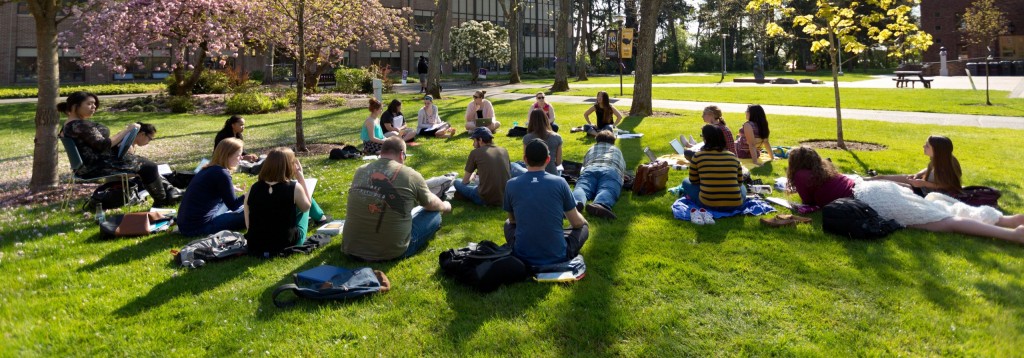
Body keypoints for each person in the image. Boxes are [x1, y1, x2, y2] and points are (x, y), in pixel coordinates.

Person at [790, 147, 1024, 244]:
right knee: (940, 211)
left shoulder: (801, 175)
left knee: (945, 223)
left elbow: (808, 202)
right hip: (878, 189)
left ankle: (1011, 235)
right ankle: (1007, 220)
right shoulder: (825, 171)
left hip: (873, 199)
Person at [342, 137, 453, 261]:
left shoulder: (361, 170)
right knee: (435, 215)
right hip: (392, 251)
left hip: (351, 248)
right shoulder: (410, 175)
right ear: (402, 154)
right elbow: (431, 204)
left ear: (381, 153)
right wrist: (445, 206)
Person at [58, 91, 173, 207]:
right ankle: (162, 202)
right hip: (95, 166)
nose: (94, 107)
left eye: (95, 104)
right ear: (74, 106)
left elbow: (96, 143)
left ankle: (166, 196)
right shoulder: (79, 125)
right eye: (89, 104)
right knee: (149, 166)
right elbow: (103, 145)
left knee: (144, 163)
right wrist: (127, 130)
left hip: (90, 164)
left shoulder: (69, 125)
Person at [504, 139, 589, 266]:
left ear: (525, 159)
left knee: (507, 224)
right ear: (548, 159)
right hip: (558, 255)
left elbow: (512, 220)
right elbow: (576, 223)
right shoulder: (560, 182)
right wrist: (583, 221)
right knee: (583, 226)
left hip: (521, 255)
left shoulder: (511, 184)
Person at [244, 147, 330, 256]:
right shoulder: (294, 187)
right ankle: (321, 218)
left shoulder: (253, 188)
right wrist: (301, 178)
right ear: (289, 166)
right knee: (307, 200)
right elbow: (306, 207)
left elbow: (248, 224)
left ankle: (321, 217)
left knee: (297, 200)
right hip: (286, 243)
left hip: (256, 244)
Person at [177, 138, 247, 236]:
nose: (241, 158)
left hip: (185, 225)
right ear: (227, 155)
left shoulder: (208, 168)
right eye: (238, 155)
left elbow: (210, 190)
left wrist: (230, 188)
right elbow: (234, 205)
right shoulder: (221, 173)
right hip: (199, 228)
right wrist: (248, 194)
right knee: (251, 212)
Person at [867, 135, 961, 196]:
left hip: (924, 193)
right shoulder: (940, 158)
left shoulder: (946, 165)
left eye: (927, 146)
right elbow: (929, 168)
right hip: (920, 186)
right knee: (881, 177)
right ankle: (856, 180)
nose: (923, 146)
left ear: (936, 150)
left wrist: (923, 183)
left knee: (882, 182)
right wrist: (918, 175)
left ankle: (856, 185)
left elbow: (947, 186)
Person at [683, 124, 746, 210]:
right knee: (742, 187)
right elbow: (739, 182)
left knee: (685, 182)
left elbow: (694, 181)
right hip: (735, 205)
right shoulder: (732, 156)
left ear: (705, 139)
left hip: (708, 204)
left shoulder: (698, 156)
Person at [572, 130, 626, 220]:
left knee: (582, 187)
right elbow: (622, 167)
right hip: (610, 170)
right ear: (613, 141)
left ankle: (575, 202)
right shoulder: (617, 150)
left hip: (590, 169)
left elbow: (585, 164)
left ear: (597, 140)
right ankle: (601, 204)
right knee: (608, 189)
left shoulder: (591, 148)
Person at [454, 127, 511, 206]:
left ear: (480, 140)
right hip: (504, 198)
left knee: (457, 182)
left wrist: (472, 176)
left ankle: (464, 195)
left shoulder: (475, 153)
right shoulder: (504, 150)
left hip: (484, 199)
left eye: (474, 141)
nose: (473, 144)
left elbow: (465, 181)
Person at [785, 146, 855, 207]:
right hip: (854, 187)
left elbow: (808, 202)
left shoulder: (800, 175)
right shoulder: (824, 167)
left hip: (851, 199)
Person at [511, 109, 562, 176]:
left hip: (532, 175)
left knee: (512, 165)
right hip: (552, 173)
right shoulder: (557, 137)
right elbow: (558, 162)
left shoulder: (527, 138)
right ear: (546, 119)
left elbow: (526, 162)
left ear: (531, 121)